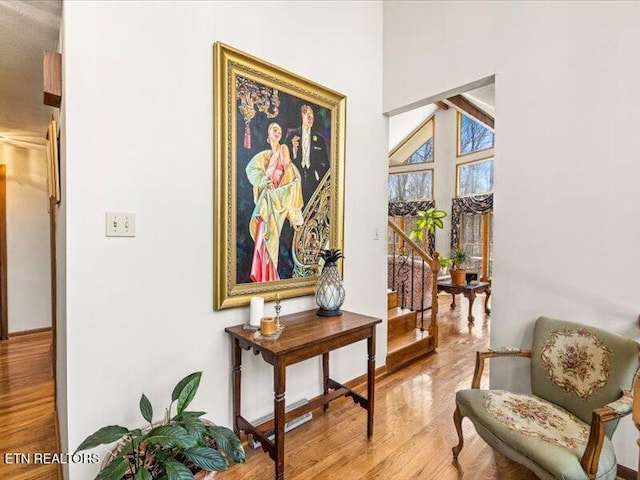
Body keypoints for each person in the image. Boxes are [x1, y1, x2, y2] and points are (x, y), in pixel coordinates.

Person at [246, 122, 304, 282]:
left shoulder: (283, 149)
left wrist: (276, 192)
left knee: (272, 235)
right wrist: (265, 184)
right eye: (274, 129)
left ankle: (270, 276)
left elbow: (288, 172)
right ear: (268, 135)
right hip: (267, 199)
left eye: (279, 129)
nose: (278, 132)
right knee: (264, 234)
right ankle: (263, 275)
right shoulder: (266, 158)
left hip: (276, 200)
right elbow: (256, 175)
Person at [284, 105, 329, 205]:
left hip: (312, 176)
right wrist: (294, 150)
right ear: (302, 115)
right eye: (308, 116)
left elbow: (325, 161)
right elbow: (284, 157)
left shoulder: (319, 139)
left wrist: (318, 172)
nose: (311, 120)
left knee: (310, 204)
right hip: (295, 176)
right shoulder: (292, 134)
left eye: (312, 117)